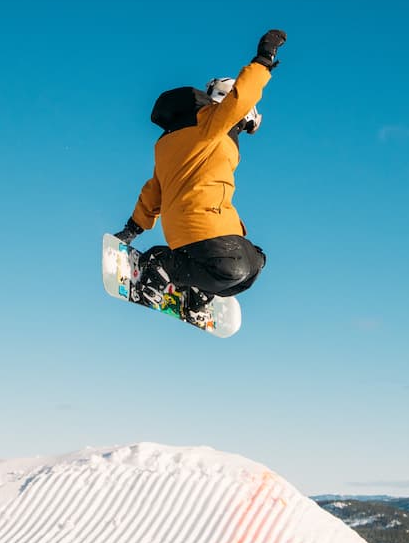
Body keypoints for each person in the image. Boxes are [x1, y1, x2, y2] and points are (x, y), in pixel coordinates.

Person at [113, 29, 287, 326]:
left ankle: (196, 288)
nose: (241, 132)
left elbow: (154, 190)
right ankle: (162, 265)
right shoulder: (211, 126)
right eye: (244, 125)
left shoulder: (172, 141)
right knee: (235, 269)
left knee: (254, 265)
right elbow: (241, 98)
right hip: (203, 228)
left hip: (195, 230)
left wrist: (132, 229)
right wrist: (264, 59)